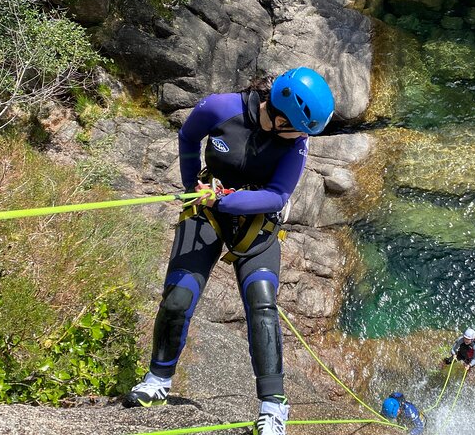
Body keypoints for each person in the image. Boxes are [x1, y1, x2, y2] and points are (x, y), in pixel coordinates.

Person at [122, 67, 335, 435]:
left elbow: (277, 195)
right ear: (280, 114)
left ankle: (273, 406)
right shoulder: (220, 108)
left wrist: (223, 197)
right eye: (299, 127)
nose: (303, 137)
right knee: (177, 297)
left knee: (262, 302)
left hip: (255, 223)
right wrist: (193, 187)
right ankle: (157, 381)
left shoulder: (295, 142)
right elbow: (188, 137)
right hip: (205, 212)